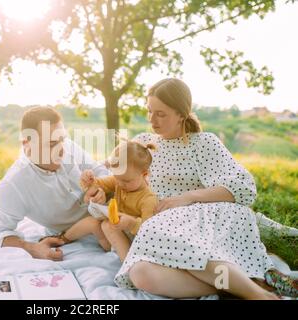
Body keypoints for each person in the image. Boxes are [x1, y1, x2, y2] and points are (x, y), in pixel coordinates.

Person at [114, 78, 279, 300]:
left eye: (161, 114)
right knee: (140, 274)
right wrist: (98, 187)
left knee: (185, 247)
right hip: (157, 227)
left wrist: (188, 198)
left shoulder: (204, 143)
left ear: (182, 114)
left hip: (199, 221)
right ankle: (236, 284)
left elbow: (245, 188)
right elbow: (120, 177)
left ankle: (259, 295)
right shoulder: (143, 142)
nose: (152, 120)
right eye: (150, 111)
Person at [0, 106, 109, 261]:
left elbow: (100, 170)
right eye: (51, 144)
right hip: (85, 232)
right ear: (27, 143)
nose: (62, 150)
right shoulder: (14, 184)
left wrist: (99, 187)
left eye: (62, 140)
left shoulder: (68, 147)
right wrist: (32, 248)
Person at [52, 140, 158, 262]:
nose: (120, 184)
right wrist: (90, 180)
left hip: (130, 243)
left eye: (126, 181)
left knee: (107, 225)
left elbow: (149, 231)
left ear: (144, 174)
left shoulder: (148, 200)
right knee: (92, 222)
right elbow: (100, 184)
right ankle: (62, 239)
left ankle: (128, 265)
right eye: (117, 178)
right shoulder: (120, 181)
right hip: (112, 237)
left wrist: (131, 223)